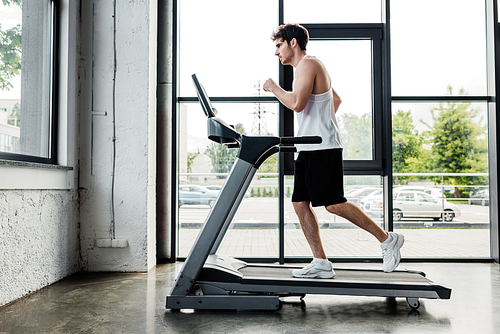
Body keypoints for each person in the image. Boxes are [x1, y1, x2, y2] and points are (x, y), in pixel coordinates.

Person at [263, 23, 404, 279]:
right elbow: (335, 100)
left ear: (293, 43)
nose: (276, 52)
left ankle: (387, 239)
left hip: (322, 146)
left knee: (334, 205)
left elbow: (296, 103)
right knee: (299, 203)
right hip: (310, 146)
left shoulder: (309, 64)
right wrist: (322, 123)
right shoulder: (307, 69)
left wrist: (274, 89)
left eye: (279, 45)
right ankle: (320, 262)